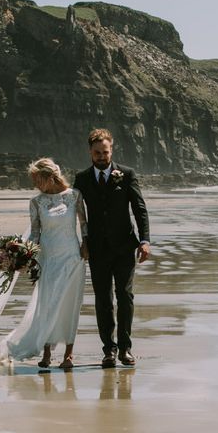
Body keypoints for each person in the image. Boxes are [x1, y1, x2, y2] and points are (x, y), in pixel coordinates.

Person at [0, 158, 88, 369]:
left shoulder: (74, 196)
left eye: (36, 180)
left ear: (49, 177)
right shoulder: (36, 202)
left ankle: (69, 354)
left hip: (72, 258)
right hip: (47, 259)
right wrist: (22, 254)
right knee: (47, 304)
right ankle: (47, 352)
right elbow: (36, 233)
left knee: (70, 304)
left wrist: (86, 243)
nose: (34, 185)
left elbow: (83, 223)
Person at [73, 128, 150, 368]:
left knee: (125, 296)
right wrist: (80, 242)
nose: (101, 156)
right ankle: (108, 350)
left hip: (125, 246)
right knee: (102, 300)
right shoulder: (82, 178)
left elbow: (139, 208)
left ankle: (125, 349)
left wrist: (145, 240)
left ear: (111, 150)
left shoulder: (126, 174)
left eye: (105, 152)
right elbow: (75, 212)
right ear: (90, 152)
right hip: (97, 249)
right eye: (97, 153)